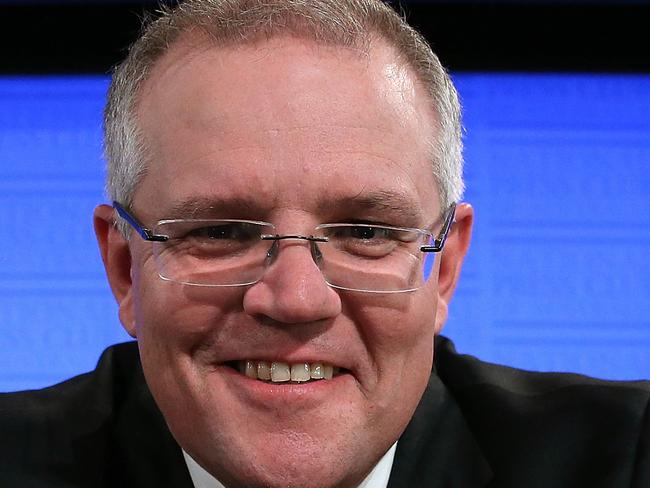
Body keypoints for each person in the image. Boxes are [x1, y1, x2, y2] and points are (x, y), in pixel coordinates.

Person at [1, 0, 649, 487]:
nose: (296, 298)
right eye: (220, 232)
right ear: (124, 269)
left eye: (366, 232)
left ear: (444, 266)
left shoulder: (624, 457)